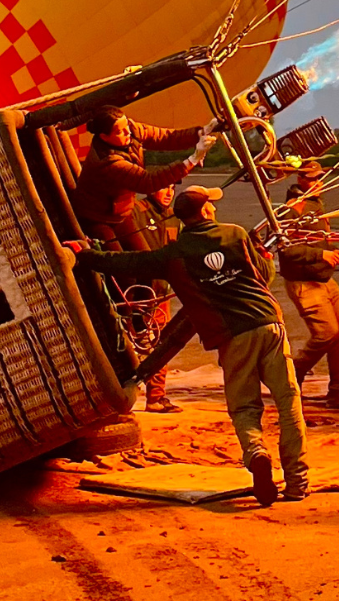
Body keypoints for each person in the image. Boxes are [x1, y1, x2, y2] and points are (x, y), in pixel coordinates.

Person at [71, 186, 308, 505]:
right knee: (289, 400)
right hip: (269, 324)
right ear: (207, 211)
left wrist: (83, 254)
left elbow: (126, 262)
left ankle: (256, 453)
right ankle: (297, 483)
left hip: (232, 335)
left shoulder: (174, 255)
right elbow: (263, 276)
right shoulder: (236, 234)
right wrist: (263, 253)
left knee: (244, 407)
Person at [72, 105, 215, 252]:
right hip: (97, 216)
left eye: (126, 125)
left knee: (143, 257)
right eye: (120, 132)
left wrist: (201, 132)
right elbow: (147, 181)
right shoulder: (107, 162)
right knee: (118, 264)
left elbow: (165, 137)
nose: (128, 132)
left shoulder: (132, 130)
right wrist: (192, 160)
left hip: (122, 212)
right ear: (104, 137)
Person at [277, 167, 339, 408]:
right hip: (304, 283)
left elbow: (322, 238)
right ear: (300, 180)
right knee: (326, 335)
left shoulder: (317, 206)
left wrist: (334, 250)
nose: (319, 182)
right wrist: (321, 254)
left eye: (321, 178)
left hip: (325, 280)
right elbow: (286, 250)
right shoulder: (289, 210)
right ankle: (290, 377)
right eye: (314, 178)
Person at [128, 185, 180, 413]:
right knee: (130, 342)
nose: (169, 193)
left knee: (160, 342)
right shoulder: (135, 212)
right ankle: (124, 392)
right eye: (162, 188)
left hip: (161, 292)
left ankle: (156, 396)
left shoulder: (172, 216)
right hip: (134, 292)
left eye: (172, 188)